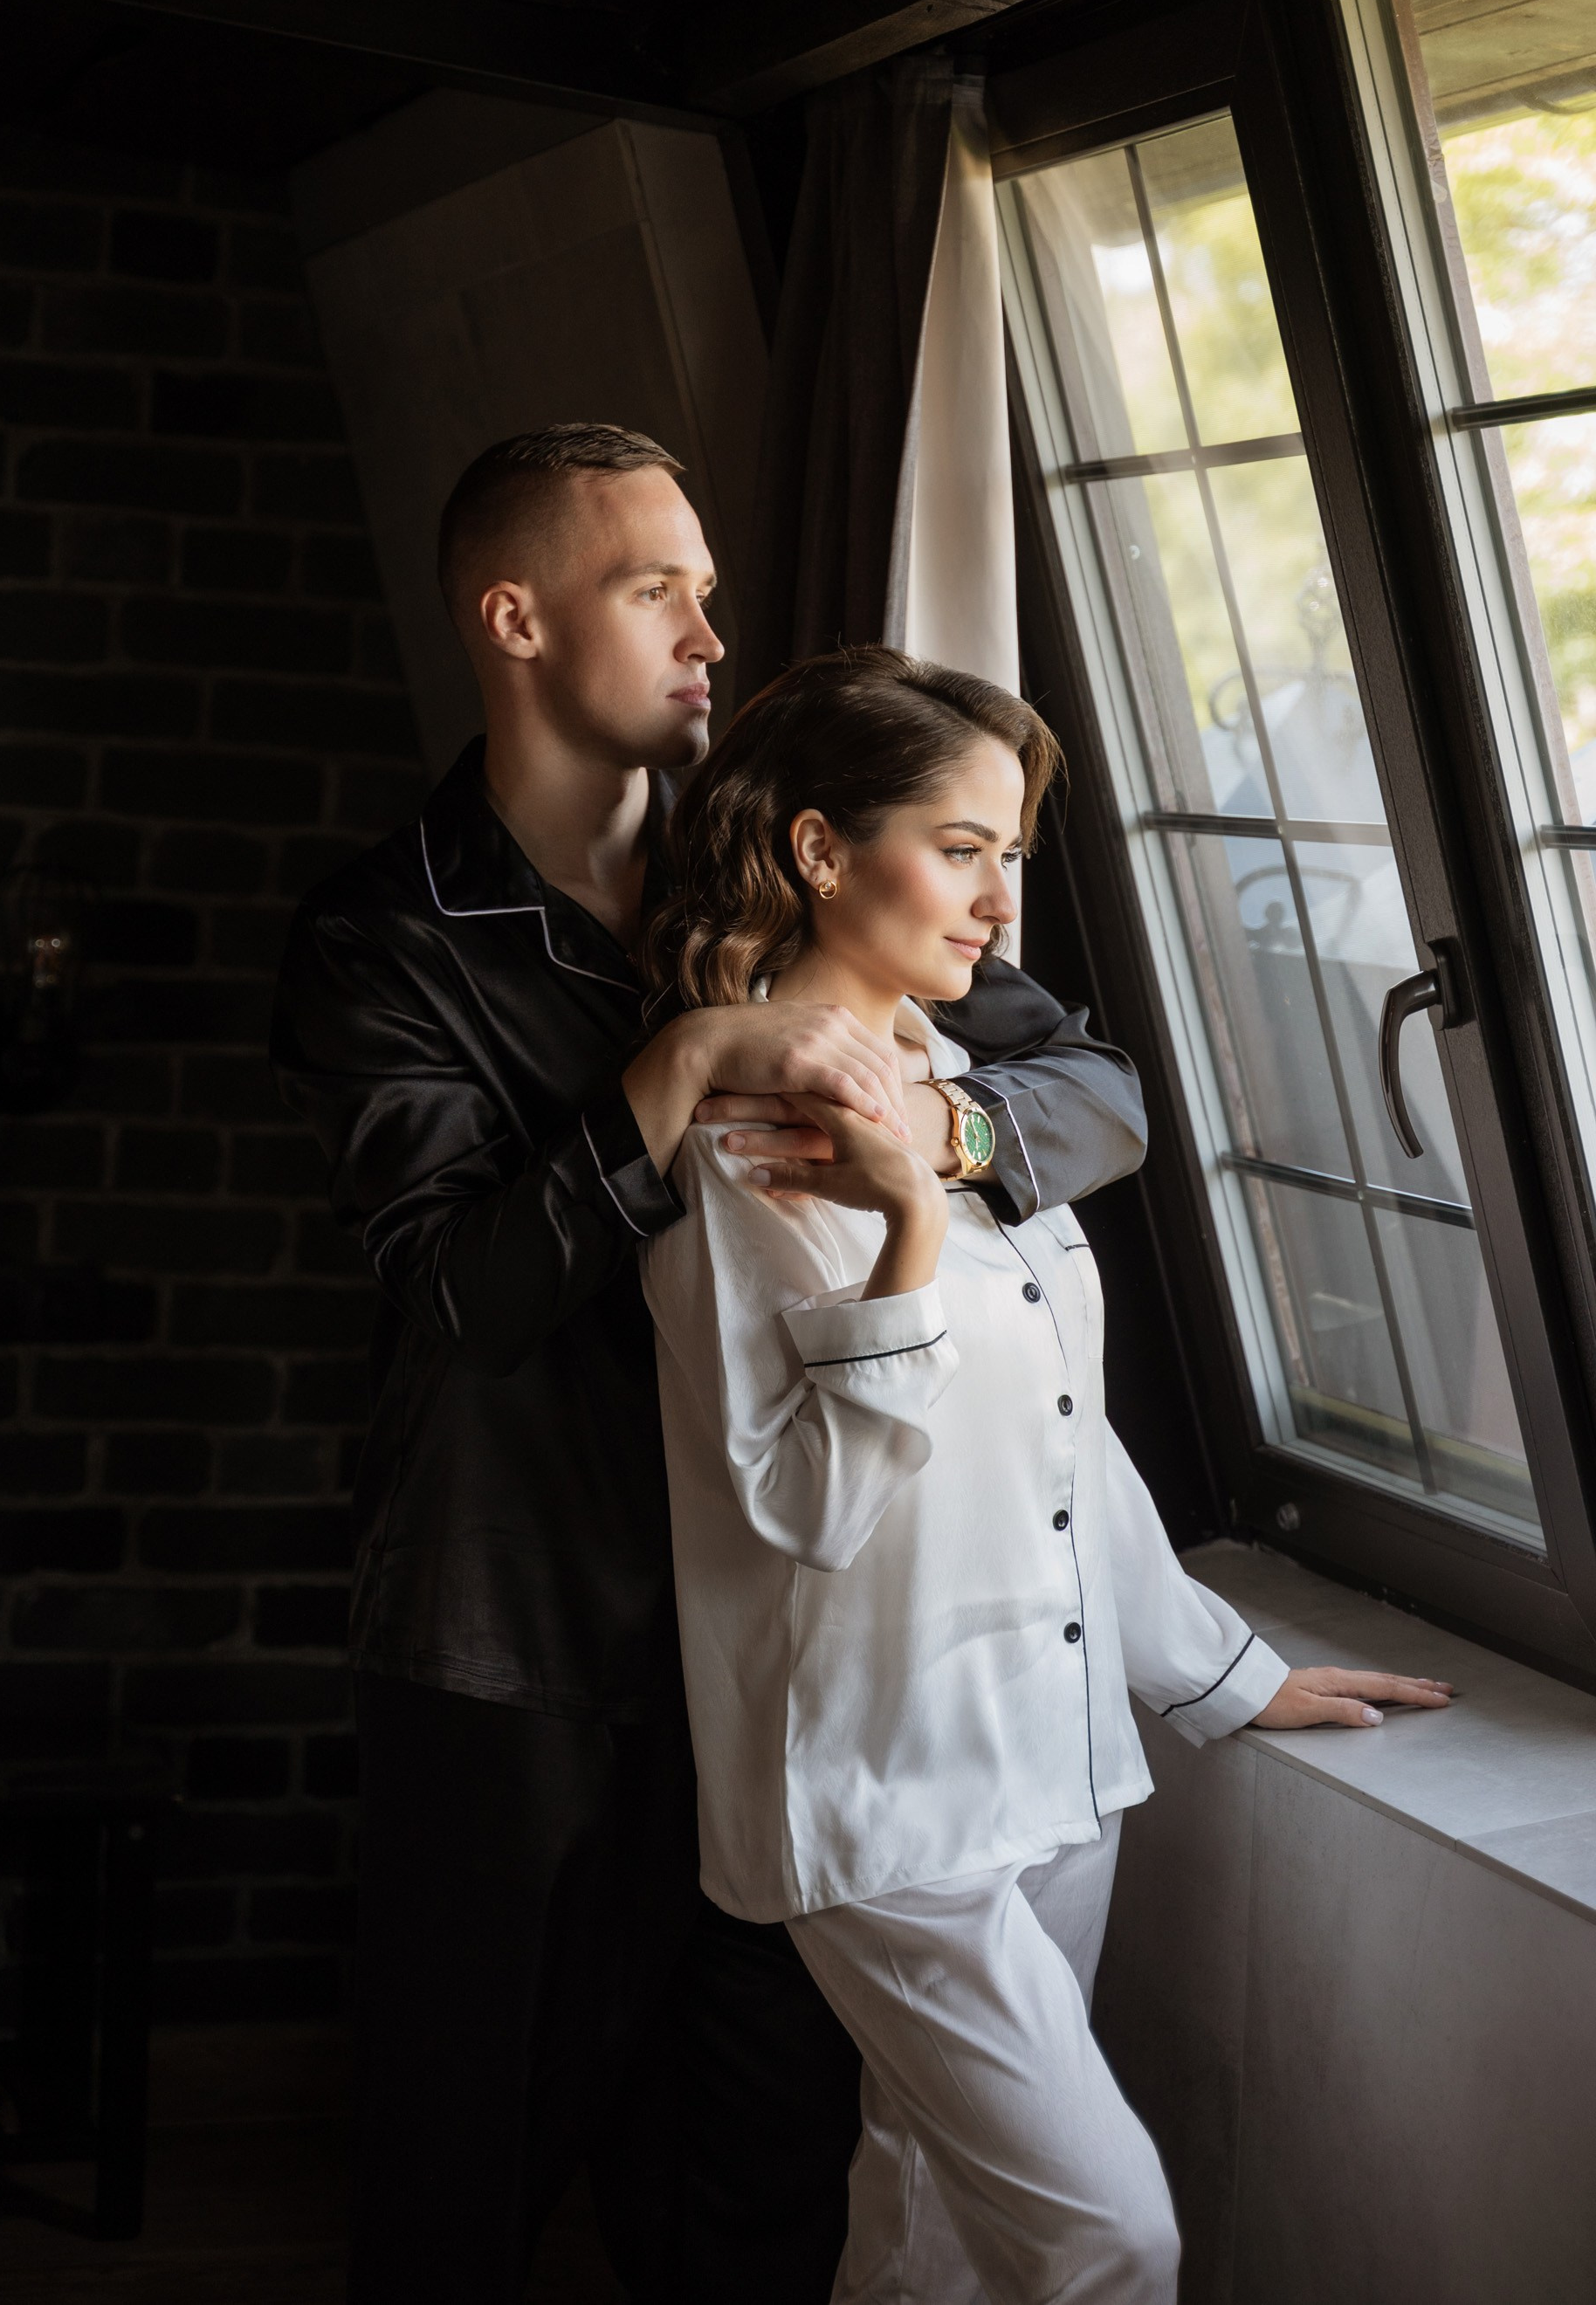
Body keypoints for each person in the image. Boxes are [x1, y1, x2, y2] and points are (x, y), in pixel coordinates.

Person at [271, 425, 1152, 2305]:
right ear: (513, 619)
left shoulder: (789, 855)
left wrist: (945, 1142)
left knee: (766, 2161)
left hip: (779, 1632)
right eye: (653, 585)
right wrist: (671, 1074)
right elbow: (458, 1297)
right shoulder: (380, 938)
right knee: (470, 2150)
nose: (707, 626)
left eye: (706, 583)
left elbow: (1097, 1094)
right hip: (527, 1633)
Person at [639, 645, 1455, 2305]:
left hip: (1059, 1761)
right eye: (960, 848)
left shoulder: (957, 1096)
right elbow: (803, 1509)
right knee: (1110, 2240)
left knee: (932, 2228)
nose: (1001, 899)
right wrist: (917, 1240)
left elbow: (1063, 1436)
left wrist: (1221, 1671)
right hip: (889, 1796)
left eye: (1010, 852)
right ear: (817, 851)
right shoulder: (734, 1148)